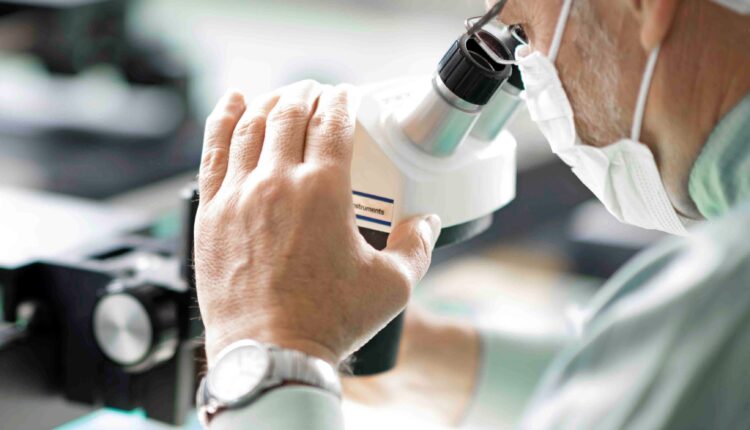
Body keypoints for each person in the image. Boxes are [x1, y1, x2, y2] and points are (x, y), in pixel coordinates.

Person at [192, 0, 750, 428]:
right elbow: (661, 391)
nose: (528, 72)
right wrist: (399, 357)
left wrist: (266, 348)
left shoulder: (725, 296)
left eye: (522, 31)